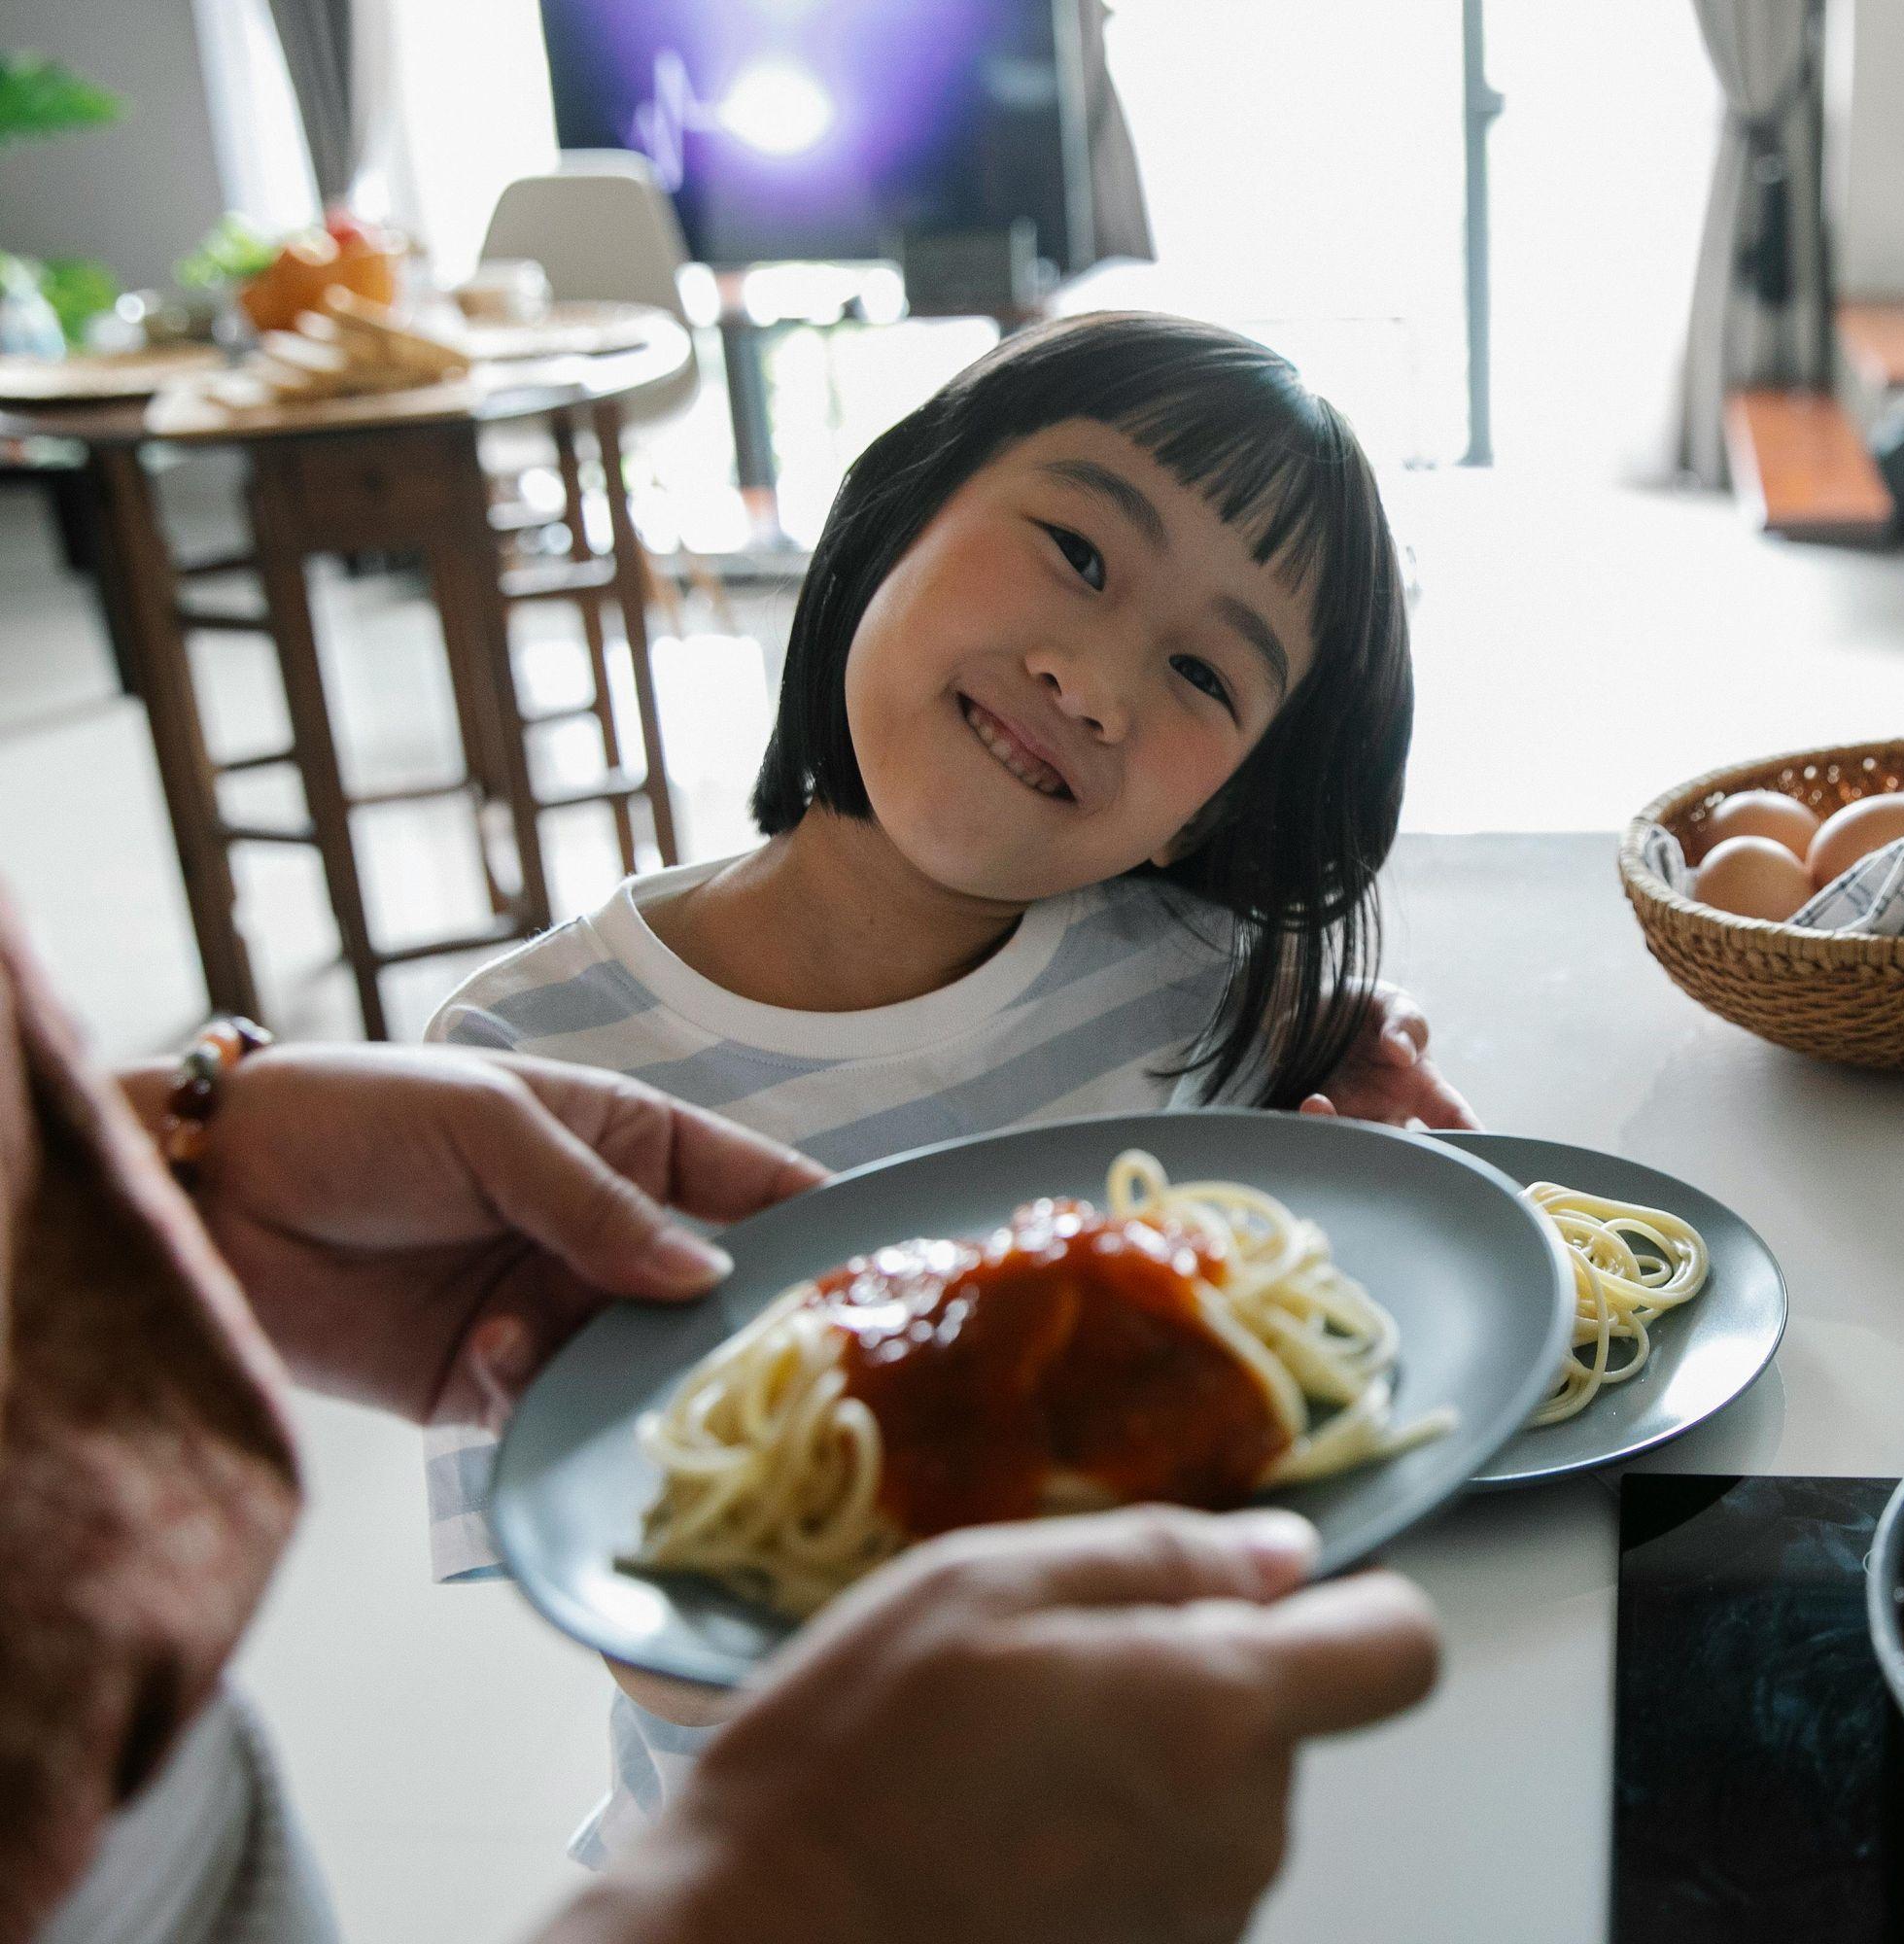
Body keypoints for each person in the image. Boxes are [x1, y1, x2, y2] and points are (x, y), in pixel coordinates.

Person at [419, 310, 1476, 1849]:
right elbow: (665, 1634)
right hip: (768, 1879)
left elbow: (1319, 1250)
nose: (1093, 676)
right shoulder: (530, 1064)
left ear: (1208, 814)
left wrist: (1359, 1060)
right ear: (899, 509)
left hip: (1138, 1837)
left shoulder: (1190, 971)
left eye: (1201, 674)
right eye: (1080, 552)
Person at [0, 900, 1438, 1944]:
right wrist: (785, 1899)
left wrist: (169, 1156)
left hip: (156, 1814)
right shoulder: (557, 1007)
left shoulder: (1168, 962)